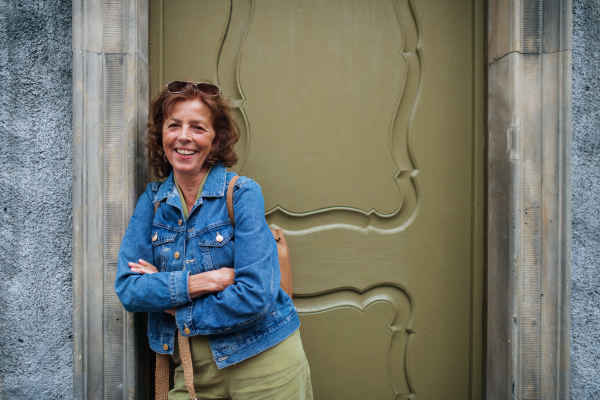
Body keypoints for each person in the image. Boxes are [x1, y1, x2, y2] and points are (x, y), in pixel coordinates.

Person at [115, 80, 312, 399]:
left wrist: (173, 306)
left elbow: (256, 295)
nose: (183, 136)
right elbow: (129, 289)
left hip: (264, 361)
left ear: (216, 138)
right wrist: (207, 281)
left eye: (198, 127)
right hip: (193, 370)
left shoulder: (243, 193)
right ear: (161, 134)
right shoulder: (151, 203)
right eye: (174, 125)